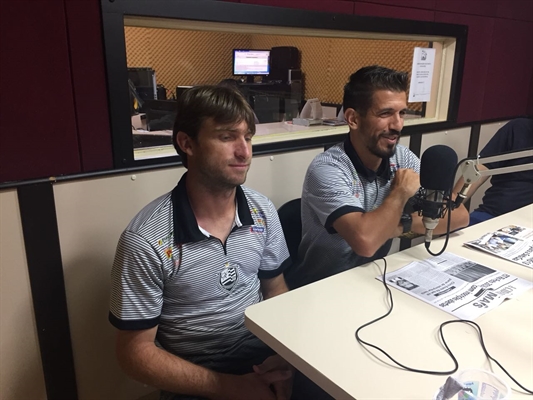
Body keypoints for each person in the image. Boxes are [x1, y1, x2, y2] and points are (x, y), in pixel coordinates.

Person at [109, 85, 293, 400]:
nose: (244, 152)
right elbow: (134, 354)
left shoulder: (262, 211)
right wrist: (233, 388)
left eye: (247, 137)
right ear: (187, 143)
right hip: (193, 374)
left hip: (262, 356)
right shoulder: (146, 239)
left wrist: (287, 356)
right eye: (226, 137)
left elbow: (276, 290)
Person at [286, 65, 469, 289]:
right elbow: (365, 241)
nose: (397, 125)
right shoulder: (327, 169)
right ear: (353, 119)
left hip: (370, 278)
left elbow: (458, 216)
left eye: (402, 113)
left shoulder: (403, 158)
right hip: (319, 287)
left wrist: (402, 224)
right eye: (385, 114)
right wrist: (400, 192)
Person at [453, 118, 533, 226]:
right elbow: (480, 168)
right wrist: (451, 206)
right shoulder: (518, 128)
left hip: (527, 222)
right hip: (493, 213)